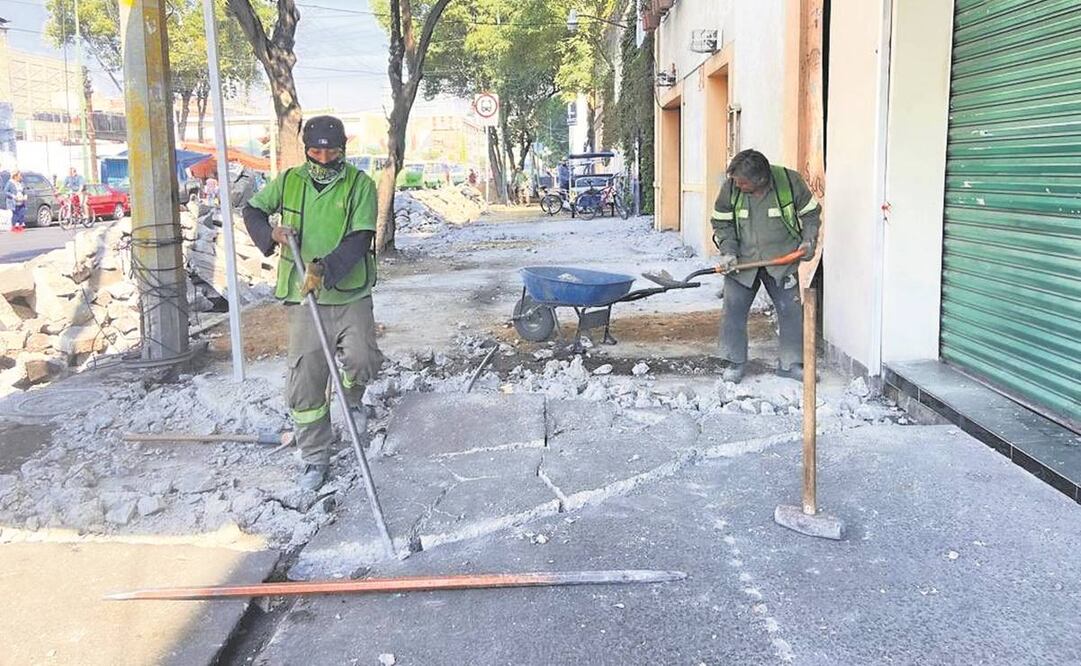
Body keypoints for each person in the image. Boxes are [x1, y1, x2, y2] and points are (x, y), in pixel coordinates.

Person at [242, 116, 383, 491]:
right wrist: (270, 232)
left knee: (363, 358)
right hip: (302, 298)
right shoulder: (290, 180)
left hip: (349, 292)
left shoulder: (360, 185)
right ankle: (316, 458)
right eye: (316, 152)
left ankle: (351, 397)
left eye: (331, 152)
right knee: (306, 379)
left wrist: (323, 269)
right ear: (306, 150)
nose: (323, 159)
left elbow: (360, 237)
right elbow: (252, 211)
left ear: (343, 150)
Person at [711, 149, 821, 383]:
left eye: (743, 183)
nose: (738, 185)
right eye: (736, 181)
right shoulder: (731, 188)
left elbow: (811, 214)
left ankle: (791, 363)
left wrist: (808, 240)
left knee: (790, 311)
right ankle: (735, 362)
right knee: (733, 310)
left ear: (761, 179)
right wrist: (728, 251)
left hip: (782, 260)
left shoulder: (789, 182)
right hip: (742, 262)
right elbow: (721, 222)